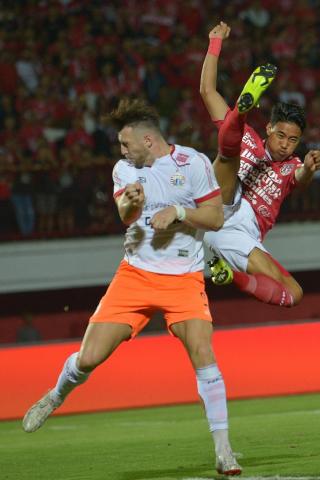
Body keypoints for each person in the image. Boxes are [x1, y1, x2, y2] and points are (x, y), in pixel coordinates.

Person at [21, 98, 242, 476]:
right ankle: (56, 395)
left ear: (148, 140)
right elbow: (124, 213)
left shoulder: (194, 164)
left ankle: (224, 451)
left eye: (126, 143)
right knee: (89, 358)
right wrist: (132, 204)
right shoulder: (124, 169)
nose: (122, 151)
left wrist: (180, 213)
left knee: (204, 354)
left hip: (184, 279)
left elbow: (216, 218)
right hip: (135, 276)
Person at [199, 21, 320, 307]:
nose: (285, 144)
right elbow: (207, 91)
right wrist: (215, 42)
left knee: (294, 294)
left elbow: (302, 177)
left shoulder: (292, 165)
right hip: (218, 205)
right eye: (281, 135)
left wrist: (309, 166)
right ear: (268, 128)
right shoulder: (251, 140)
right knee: (229, 156)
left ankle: (229, 274)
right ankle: (240, 114)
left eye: (293, 140)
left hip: (241, 233)